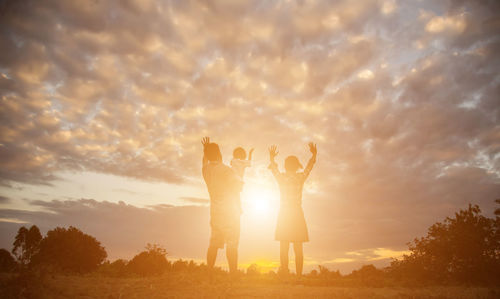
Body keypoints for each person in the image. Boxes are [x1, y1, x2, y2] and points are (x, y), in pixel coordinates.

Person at [268, 142, 317, 277]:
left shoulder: (282, 177)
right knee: (298, 246)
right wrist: (314, 154)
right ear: (296, 166)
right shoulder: (300, 177)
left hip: (284, 213)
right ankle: (299, 276)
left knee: (284, 246)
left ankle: (284, 274)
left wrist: (272, 158)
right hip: (296, 213)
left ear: (285, 166)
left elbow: (273, 168)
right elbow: (309, 167)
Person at [201, 137, 243, 275]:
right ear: (219, 154)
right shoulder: (226, 170)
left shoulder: (206, 170)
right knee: (232, 243)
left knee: (213, 242)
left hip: (215, 211)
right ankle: (233, 273)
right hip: (230, 211)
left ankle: (209, 271)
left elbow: (204, 161)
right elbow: (238, 187)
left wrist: (204, 150)